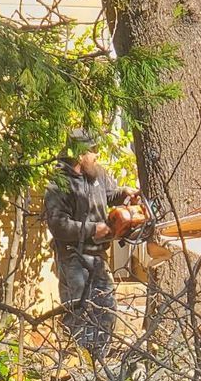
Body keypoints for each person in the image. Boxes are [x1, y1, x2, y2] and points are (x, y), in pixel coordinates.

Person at [44, 129, 145, 357]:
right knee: (79, 309)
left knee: (106, 305)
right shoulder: (59, 184)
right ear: (80, 154)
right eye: (93, 151)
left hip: (98, 255)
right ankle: (77, 360)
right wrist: (92, 229)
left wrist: (123, 193)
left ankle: (101, 356)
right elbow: (58, 225)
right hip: (72, 256)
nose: (97, 155)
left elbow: (109, 194)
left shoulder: (96, 173)